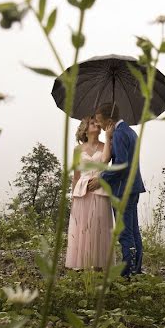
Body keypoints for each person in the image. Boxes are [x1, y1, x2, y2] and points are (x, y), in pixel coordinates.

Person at [91, 103, 145, 277]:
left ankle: (127, 273)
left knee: (124, 233)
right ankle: (136, 269)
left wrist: (101, 179)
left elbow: (121, 164)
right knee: (133, 230)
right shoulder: (130, 132)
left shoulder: (120, 134)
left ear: (109, 120)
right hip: (134, 187)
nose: (98, 124)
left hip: (123, 190)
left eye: (99, 121)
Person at [65, 115, 113, 270]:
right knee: (83, 227)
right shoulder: (78, 150)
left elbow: (106, 163)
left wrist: (108, 136)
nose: (97, 125)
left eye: (97, 123)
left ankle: (99, 263)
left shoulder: (106, 145)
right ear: (85, 128)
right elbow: (76, 175)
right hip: (82, 191)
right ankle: (82, 264)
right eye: (92, 123)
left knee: (99, 226)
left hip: (100, 188)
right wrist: (73, 197)